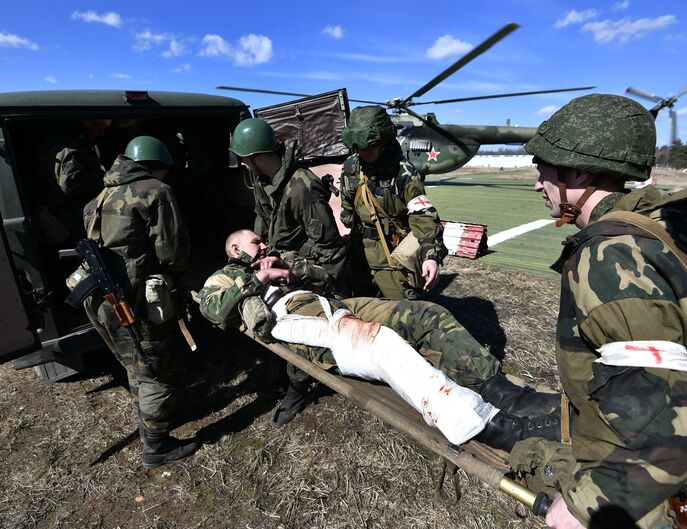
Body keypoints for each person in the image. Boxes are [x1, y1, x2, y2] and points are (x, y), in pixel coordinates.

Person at [515, 93, 687, 529]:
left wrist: (586, 506)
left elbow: (674, 418)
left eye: (544, 168)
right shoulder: (662, 232)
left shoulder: (612, 257)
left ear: (578, 171)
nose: (538, 183)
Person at [197, 229, 561, 451]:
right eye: (254, 241)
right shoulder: (225, 276)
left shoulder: (280, 257)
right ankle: (493, 429)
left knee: (427, 315)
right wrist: (262, 279)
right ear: (235, 250)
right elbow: (214, 310)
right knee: (382, 345)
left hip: (335, 304)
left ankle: (504, 392)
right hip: (295, 320)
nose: (262, 243)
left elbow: (326, 277)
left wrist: (290, 270)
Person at [82, 136, 198, 468]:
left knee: (133, 363)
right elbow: (172, 252)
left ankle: (150, 422)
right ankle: (157, 446)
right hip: (133, 299)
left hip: (101, 298)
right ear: (158, 165)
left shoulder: (98, 199)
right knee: (154, 371)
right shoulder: (156, 192)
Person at [340, 106, 446, 300]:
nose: (365, 151)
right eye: (361, 146)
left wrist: (430, 255)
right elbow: (347, 204)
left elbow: (423, 216)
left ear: (383, 140)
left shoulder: (403, 172)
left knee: (401, 314)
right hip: (360, 256)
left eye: (371, 145)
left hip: (392, 258)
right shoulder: (351, 167)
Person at [229, 118, 347, 288]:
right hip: (279, 263)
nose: (242, 163)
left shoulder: (303, 188)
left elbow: (330, 251)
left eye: (244, 158)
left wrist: (325, 287)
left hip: (308, 272)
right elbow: (262, 223)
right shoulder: (261, 183)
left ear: (256, 157)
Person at [32, 119, 111, 247]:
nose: (101, 134)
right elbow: (70, 183)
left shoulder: (73, 141)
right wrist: (106, 178)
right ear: (91, 124)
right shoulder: (65, 143)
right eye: (100, 128)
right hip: (68, 221)